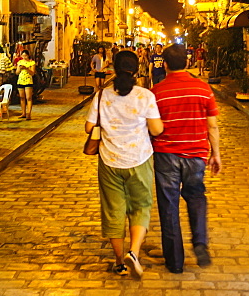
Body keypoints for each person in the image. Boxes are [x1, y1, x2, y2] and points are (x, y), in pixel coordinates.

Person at [84, 50, 163, 279]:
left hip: (110, 161)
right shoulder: (145, 96)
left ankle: (119, 262)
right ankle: (134, 253)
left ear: (114, 68)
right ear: (137, 70)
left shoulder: (102, 96)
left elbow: (89, 128)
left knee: (113, 211)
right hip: (139, 159)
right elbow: (156, 129)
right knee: (140, 207)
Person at [151, 44, 221, 273]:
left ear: (166, 64)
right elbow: (212, 125)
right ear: (188, 63)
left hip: (166, 155)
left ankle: (175, 261)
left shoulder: (157, 92)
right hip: (196, 155)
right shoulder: (203, 89)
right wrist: (216, 154)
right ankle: (200, 242)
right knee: (197, 196)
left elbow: (152, 127)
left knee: (168, 206)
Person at [15, 49, 36, 120]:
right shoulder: (20, 62)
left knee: (29, 98)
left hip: (28, 81)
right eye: (23, 55)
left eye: (25, 55)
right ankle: (23, 112)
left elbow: (32, 73)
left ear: (28, 55)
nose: (24, 57)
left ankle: (29, 113)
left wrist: (26, 68)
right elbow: (17, 73)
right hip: (20, 81)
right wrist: (19, 69)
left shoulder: (32, 63)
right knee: (22, 98)